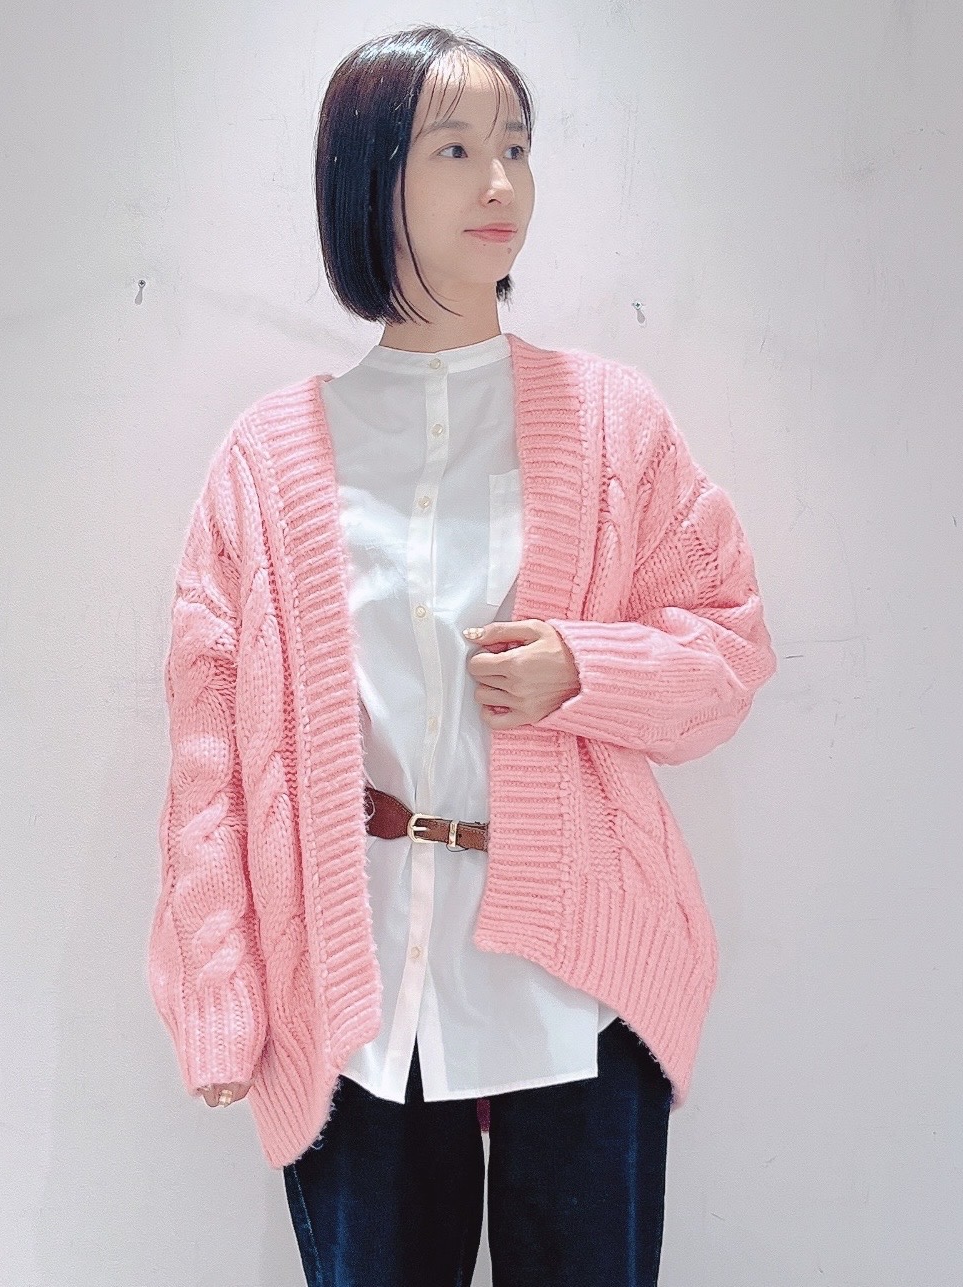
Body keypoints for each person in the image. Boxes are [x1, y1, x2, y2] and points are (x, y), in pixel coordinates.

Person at [147, 23, 778, 1287]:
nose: (501, 183)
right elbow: (211, 754)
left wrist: (584, 670)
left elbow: (729, 645)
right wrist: (219, 1000)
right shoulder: (269, 460)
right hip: (358, 984)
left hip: (576, 976)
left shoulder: (612, 421)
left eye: (517, 149)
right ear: (368, 178)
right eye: (454, 150)